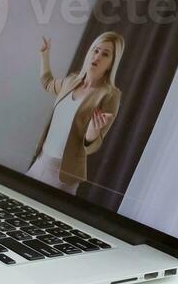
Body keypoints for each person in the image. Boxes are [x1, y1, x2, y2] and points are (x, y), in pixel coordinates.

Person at [24, 31, 124, 191]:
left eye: (105, 54)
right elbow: (47, 82)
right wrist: (44, 55)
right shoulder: (71, 81)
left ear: (112, 63)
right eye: (96, 50)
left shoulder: (110, 95)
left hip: (63, 175)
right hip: (40, 162)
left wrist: (92, 133)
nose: (97, 56)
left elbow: (93, 146)